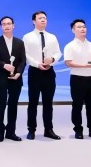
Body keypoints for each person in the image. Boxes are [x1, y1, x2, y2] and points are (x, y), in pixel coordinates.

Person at [22, 11, 62, 140]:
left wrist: (52, 59)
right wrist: (36, 64)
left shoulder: (52, 37)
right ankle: (31, 130)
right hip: (35, 72)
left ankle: (48, 129)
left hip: (49, 72)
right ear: (33, 21)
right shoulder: (27, 37)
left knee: (48, 103)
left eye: (45, 18)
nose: (43, 20)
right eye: (40, 18)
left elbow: (58, 53)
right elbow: (25, 54)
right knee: (33, 102)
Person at [64, 19, 91, 140]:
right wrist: (84, 66)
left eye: (84, 27)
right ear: (73, 30)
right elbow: (68, 62)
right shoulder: (70, 46)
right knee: (77, 106)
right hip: (77, 79)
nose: (83, 29)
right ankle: (78, 130)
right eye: (79, 27)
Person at [0, 16, 26, 142]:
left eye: (9, 23)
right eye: (4, 24)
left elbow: (23, 60)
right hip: (1, 78)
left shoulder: (19, 42)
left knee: (13, 106)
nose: (6, 26)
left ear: (13, 26)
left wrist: (19, 72)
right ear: (1, 27)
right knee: (0, 105)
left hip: (16, 78)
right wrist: (4, 65)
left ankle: (11, 132)